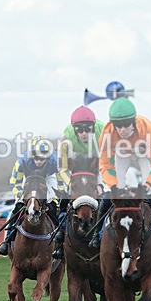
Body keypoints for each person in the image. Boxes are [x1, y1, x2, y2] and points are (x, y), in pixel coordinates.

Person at [91, 98, 151, 248]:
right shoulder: (107, 134)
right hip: (121, 155)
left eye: (126, 125)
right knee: (109, 192)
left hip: (143, 155)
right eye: (118, 126)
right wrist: (114, 186)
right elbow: (106, 165)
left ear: (133, 121)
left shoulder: (148, 130)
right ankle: (97, 234)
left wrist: (146, 186)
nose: (122, 130)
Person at [0, 136, 65, 256]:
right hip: (28, 178)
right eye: (36, 158)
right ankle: (6, 241)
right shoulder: (22, 162)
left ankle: (59, 243)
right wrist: (21, 198)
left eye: (42, 159)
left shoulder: (55, 162)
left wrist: (54, 201)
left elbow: (60, 184)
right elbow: (15, 182)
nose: (39, 161)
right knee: (17, 207)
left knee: (53, 208)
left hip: (48, 178)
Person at [51, 105, 105, 260]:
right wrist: (71, 185)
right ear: (74, 130)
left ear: (93, 128)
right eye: (80, 130)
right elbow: (63, 168)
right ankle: (60, 238)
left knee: (108, 197)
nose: (84, 133)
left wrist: (101, 185)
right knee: (65, 198)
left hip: (96, 163)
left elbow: (107, 163)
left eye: (88, 130)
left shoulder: (103, 133)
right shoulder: (66, 137)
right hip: (75, 164)